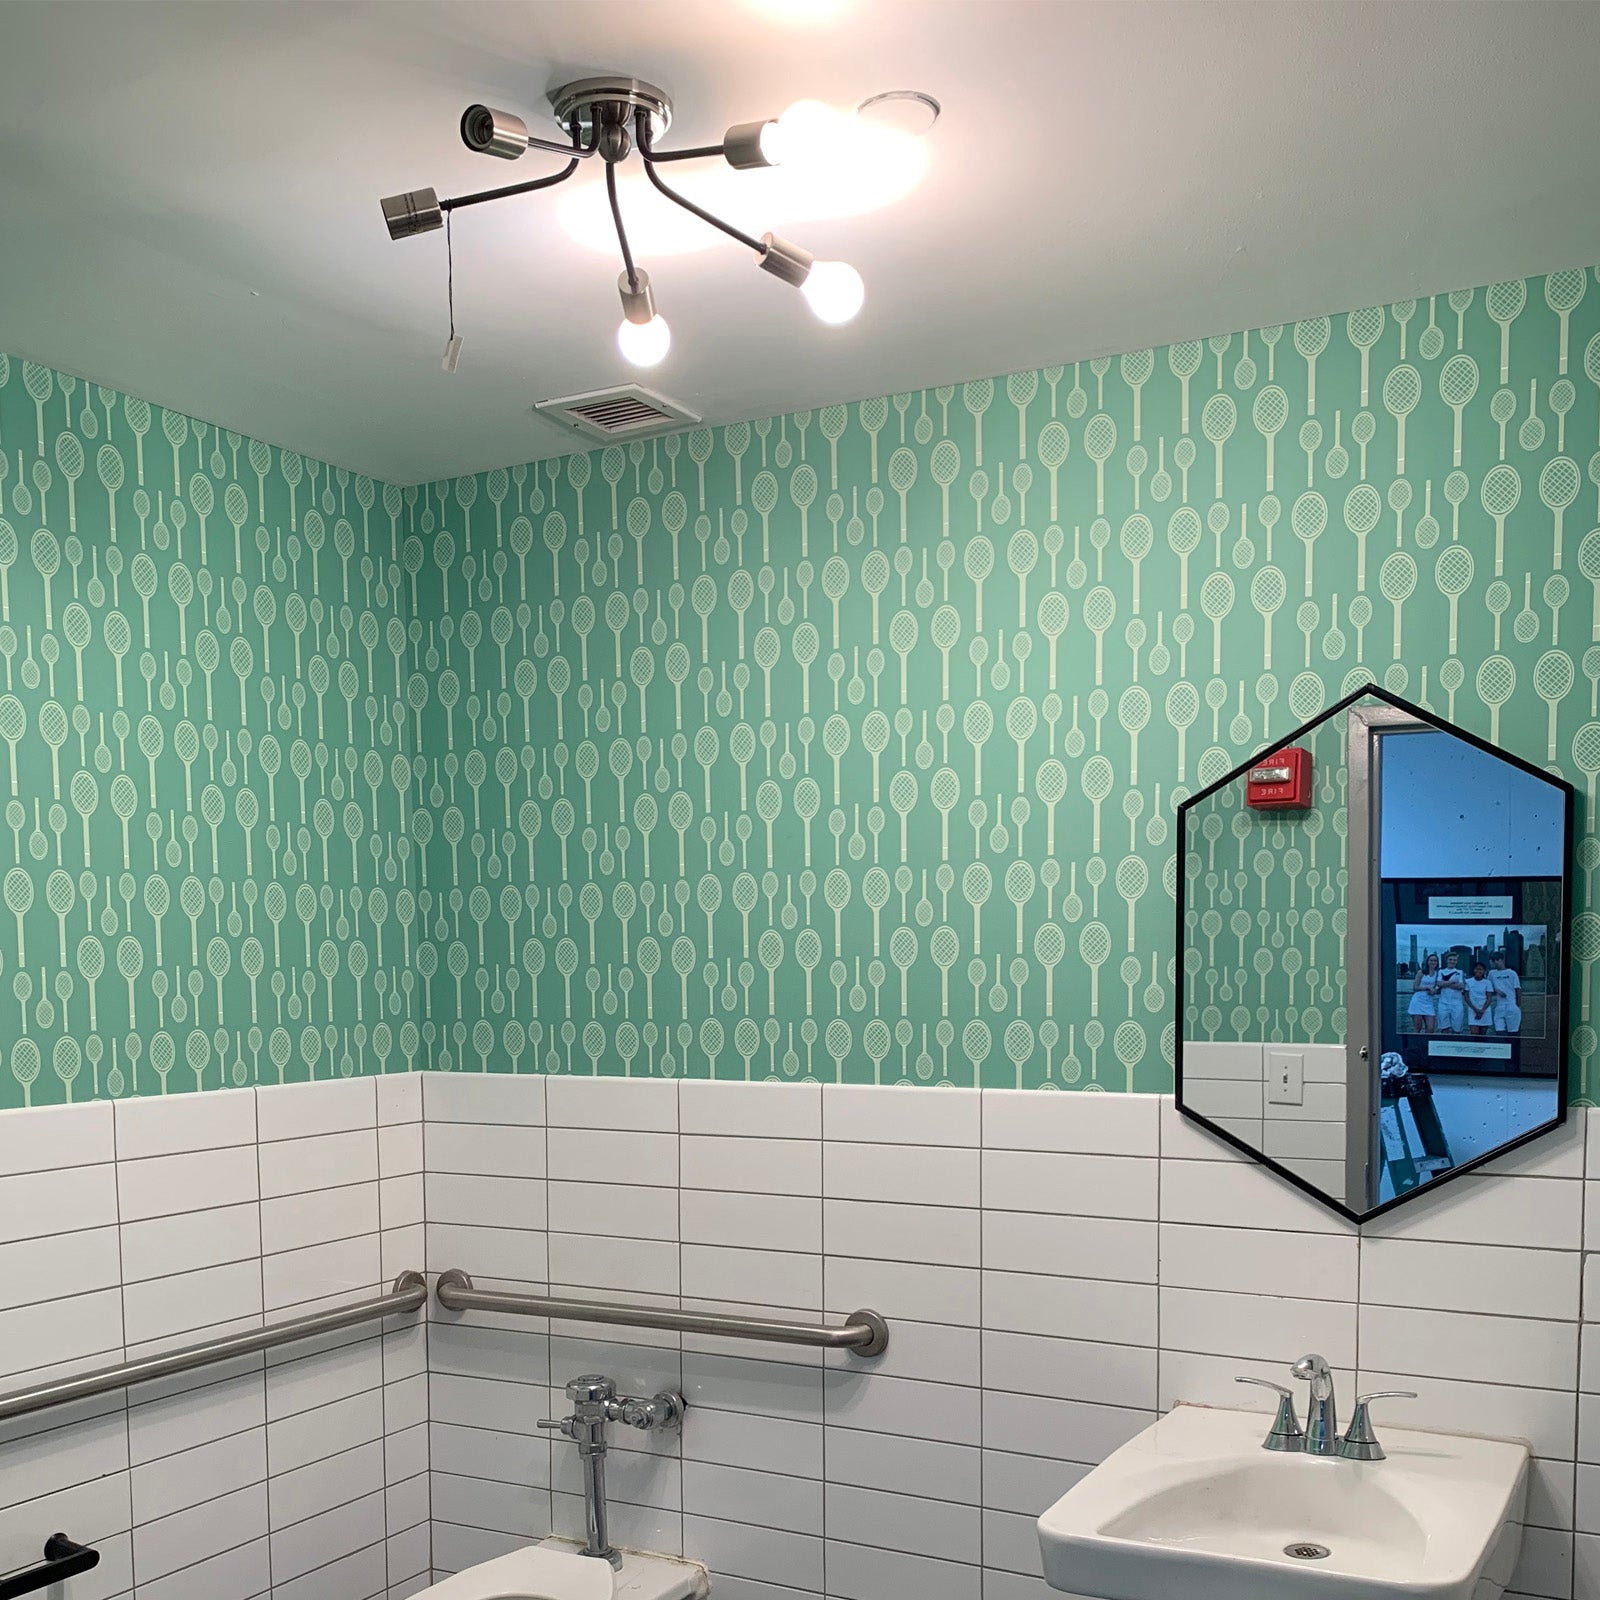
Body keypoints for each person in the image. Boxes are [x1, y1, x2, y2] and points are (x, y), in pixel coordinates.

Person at [1489, 952, 1523, 1035]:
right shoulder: (1491, 974)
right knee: (1499, 1030)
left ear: (1499, 960)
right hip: (1499, 1006)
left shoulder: (1512, 973)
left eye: (1493, 962)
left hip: (1511, 1004)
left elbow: (1517, 989)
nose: (1491, 964)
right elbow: (1488, 988)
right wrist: (1496, 990)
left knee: (1513, 1032)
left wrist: (1518, 1005)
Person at [1407, 953, 1440, 1034]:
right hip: (1418, 1001)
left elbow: (1437, 987)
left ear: (1437, 962)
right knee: (1417, 1028)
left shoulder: (1437, 974)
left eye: (1435, 960)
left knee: (1431, 1028)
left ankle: (1426, 1045)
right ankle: (1416, 1046)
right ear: (1427, 961)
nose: (1433, 962)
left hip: (1428, 1002)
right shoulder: (1421, 972)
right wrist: (1427, 988)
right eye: (1431, 960)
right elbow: (1415, 987)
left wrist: (1434, 991)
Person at [1435, 951, 1468, 1034]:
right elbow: (1438, 983)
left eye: (1454, 960)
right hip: (1443, 1003)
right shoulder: (1441, 971)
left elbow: (1461, 986)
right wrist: (1452, 982)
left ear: (1457, 961)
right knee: (1444, 1028)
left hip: (1457, 1003)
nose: (1452, 961)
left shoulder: (1459, 972)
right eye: (1450, 959)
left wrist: (1445, 983)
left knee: (1456, 1029)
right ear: (1447, 960)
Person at [1465, 962, 1494, 1037]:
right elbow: (1466, 997)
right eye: (1476, 969)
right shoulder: (1468, 982)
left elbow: (1489, 998)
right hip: (1472, 1010)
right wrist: (1476, 1010)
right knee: (1474, 1034)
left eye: (1481, 969)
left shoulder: (1488, 982)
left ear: (1484, 971)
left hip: (1485, 1010)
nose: (1478, 971)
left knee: (1483, 1035)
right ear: (1473, 970)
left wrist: (1482, 1011)